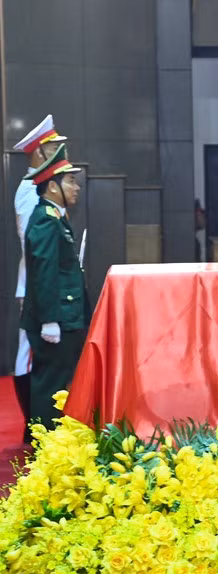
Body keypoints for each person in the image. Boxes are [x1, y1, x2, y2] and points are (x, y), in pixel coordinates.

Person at [21, 144, 89, 430]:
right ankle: (44, 442)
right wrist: (49, 320)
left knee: (57, 381)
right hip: (56, 318)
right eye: (70, 181)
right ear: (52, 186)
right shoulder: (46, 221)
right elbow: (44, 273)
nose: (76, 187)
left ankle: (48, 439)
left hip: (64, 314)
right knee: (50, 384)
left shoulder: (56, 217)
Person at [12, 114, 68, 441]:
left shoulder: (42, 186)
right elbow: (30, 242)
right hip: (34, 284)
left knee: (37, 353)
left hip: (44, 281)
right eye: (52, 147)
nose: (59, 151)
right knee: (28, 354)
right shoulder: (28, 190)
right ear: (39, 152)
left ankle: (35, 421)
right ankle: (30, 422)